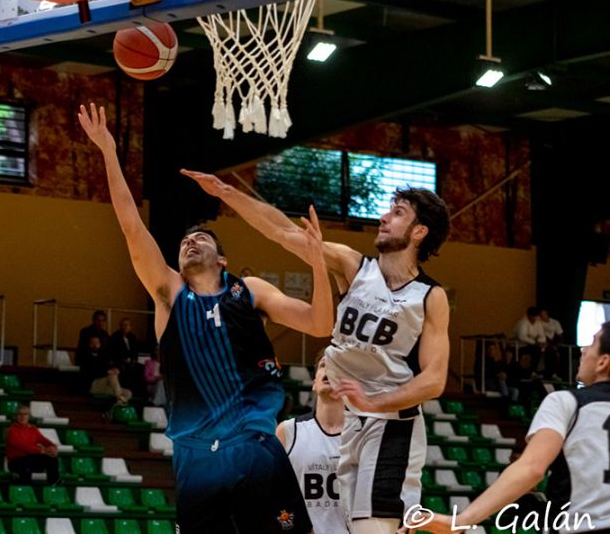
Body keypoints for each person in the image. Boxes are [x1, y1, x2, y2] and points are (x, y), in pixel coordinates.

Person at [79, 103, 332, 533]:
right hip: (196, 455)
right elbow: (130, 226)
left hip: (254, 444)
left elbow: (321, 324)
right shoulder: (169, 293)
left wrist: (318, 266)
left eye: (200, 238)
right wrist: (107, 150)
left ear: (223, 258)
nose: (190, 242)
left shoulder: (249, 291)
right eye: (184, 240)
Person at [183, 169, 450, 534]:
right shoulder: (353, 266)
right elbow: (282, 231)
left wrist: (377, 402)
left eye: (398, 212)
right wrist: (227, 192)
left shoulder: (430, 297)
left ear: (419, 231)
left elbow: (434, 380)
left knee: (374, 529)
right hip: (353, 422)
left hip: (392, 425)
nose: (384, 217)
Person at [418, 322, 610, 533]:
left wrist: (461, 520)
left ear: (603, 362)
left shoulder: (567, 402)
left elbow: (532, 468)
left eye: (591, 343)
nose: (582, 349)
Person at [276, 352, 347, 534]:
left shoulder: (363, 435)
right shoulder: (287, 431)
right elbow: (273, 496)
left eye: (337, 366)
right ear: (314, 383)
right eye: (324, 365)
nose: (329, 370)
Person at [4, 405, 60, 484]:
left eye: (25, 414)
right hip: (16, 461)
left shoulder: (33, 429)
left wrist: (53, 447)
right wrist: (41, 450)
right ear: (16, 416)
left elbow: (43, 440)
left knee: (51, 458)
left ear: (29, 416)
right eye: (20, 414)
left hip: (31, 458)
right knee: (26, 467)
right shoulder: (11, 430)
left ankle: (54, 483)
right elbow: (22, 446)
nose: (22, 416)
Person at [77, 334, 133, 405]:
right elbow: (92, 371)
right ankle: (119, 398)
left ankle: (118, 403)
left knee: (128, 393)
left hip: (105, 385)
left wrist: (115, 370)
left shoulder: (103, 356)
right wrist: (107, 372)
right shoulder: (84, 356)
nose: (95, 345)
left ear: (100, 344)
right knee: (112, 376)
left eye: (97, 343)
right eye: (92, 343)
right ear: (89, 344)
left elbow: (108, 367)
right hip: (92, 385)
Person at [516, 306, 546, 378]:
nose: (535, 318)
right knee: (536, 350)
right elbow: (522, 336)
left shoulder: (538, 323)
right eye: (533, 316)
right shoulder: (523, 323)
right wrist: (534, 342)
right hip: (520, 346)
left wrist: (540, 342)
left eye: (536, 316)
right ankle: (532, 371)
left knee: (549, 351)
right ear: (529, 316)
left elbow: (542, 336)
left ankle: (546, 373)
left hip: (534, 345)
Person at [540, 308, 564, 381]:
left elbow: (560, 334)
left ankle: (554, 374)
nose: (541, 315)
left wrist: (556, 344)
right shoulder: (538, 323)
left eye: (543, 314)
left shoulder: (555, 322)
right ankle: (546, 374)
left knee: (556, 356)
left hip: (553, 343)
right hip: (543, 343)